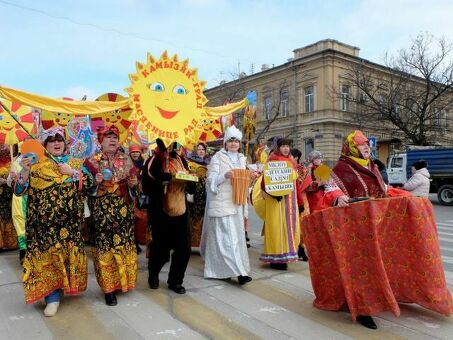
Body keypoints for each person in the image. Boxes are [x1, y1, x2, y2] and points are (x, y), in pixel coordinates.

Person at [14, 127, 93, 317]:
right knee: (48, 260)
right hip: (44, 229)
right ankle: (52, 297)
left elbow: (90, 185)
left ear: (65, 143)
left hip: (70, 227)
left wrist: (73, 172)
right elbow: (19, 190)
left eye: (60, 140)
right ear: (44, 145)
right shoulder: (35, 165)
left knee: (65, 259)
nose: (57, 143)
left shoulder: (75, 162)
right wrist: (24, 170)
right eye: (51, 140)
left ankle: (61, 288)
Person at [84, 125, 138, 306]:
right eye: (108, 137)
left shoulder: (127, 159)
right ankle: (108, 289)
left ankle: (124, 282)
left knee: (123, 246)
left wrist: (132, 185)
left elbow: (135, 188)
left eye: (115, 137)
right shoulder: (91, 161)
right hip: (102, 214)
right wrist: (95, 182)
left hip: (123, 212)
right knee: (105, 249)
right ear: (100, 140)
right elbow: (84, 189)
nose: (113, 140)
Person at [200, 125, 256, 284]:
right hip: (222, 203)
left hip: (237, 203)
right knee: (225, 239)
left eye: (236, 141)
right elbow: (210, 180)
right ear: (226, 143)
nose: (233, 144)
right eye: (230, 141)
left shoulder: (242, 158)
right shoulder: (218, 157)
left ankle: (231, 271)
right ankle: (239, 274)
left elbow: (244, 180)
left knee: (236, 239)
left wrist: (251, 176)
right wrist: (225, 175)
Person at [142, 139, 195, 294]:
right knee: (160, 249)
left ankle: (175, 281)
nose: (171, 145)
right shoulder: (155, 160)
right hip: (161, 212)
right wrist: (168, 178)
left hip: (181, 211)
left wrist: (191, 181)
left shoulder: (181, 160)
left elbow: (191, 186)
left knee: (183, 250)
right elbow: (147, 184)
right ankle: (153, 275)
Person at [260, 138, 302, 270]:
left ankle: (285, 257)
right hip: (276, 200)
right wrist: (273, 193)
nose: (286, 149)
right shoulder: (273, 159)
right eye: (283, 146)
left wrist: (300, 202)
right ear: (279, 148)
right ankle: (276, 259)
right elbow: (265, 180)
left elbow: (296, 183)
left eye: (288, 146)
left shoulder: (292, 161)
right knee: (276, 227)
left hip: (290, 199)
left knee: (288, 229)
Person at [331, 130, 387, 199]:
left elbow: (383, 187)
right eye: (361, 144)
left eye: (367, 144)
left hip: (377, 208)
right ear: (352, 148)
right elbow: (331, 190)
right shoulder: (340, 167)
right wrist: (338, 197)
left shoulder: (371, 165)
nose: (366, 147)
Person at [187, 142, 209, 248]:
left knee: (203, 218)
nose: (201, 151)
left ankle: (201, 243)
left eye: (203, 149)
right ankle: (191, 242)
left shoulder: (208, 163)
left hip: (205, 194)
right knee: (193, 217)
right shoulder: (190, 163)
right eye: (199, 149)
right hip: (194, 194)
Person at [0, 144, 18, 251]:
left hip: (10, 195)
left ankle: (10, 242)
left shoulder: (14, 163)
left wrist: (6, 181)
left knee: (9, 215)